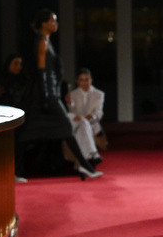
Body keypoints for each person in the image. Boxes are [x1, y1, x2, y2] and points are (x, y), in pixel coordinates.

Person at [18, 10, 102, 180]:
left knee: (29, 135)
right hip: (45, 95)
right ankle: (85, 166)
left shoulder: (47, 42)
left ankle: (85, 166)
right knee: (50, 130)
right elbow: (42, 71)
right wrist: (47, 96)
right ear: (44, 23)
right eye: (52, 21)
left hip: (47, 93)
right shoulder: (42, 42)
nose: (55, 24)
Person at [67, 68, 105, 170]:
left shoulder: (99, 94)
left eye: (86, 79)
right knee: (81, 126)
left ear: (91, 80)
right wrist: (69, 104)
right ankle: (92, 154)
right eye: (81, 80)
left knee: (84, 126)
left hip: (92, 124)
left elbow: (98, 113)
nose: (84, 83)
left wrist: (86, 118)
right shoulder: (72, 94)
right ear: (77, 81)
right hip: (77, 124)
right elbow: (71, 113)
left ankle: (82, 163)